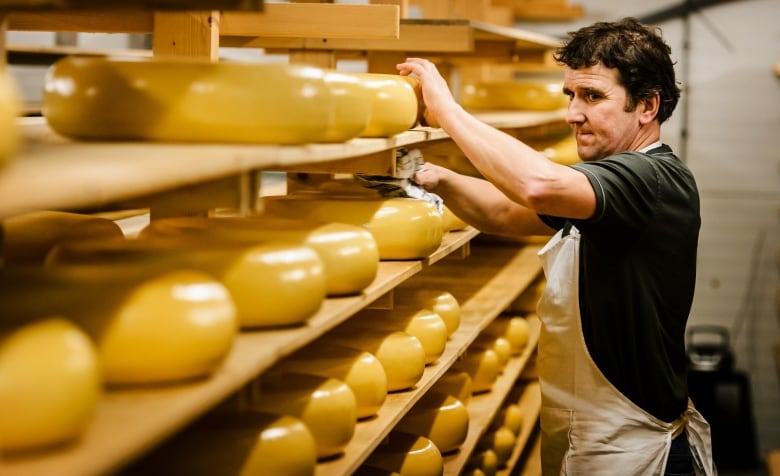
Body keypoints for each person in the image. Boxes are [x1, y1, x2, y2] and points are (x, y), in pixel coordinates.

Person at [397, 17, 716, 476]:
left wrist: (446, 109)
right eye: (570, 95)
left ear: (647, 106)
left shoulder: (652, 179)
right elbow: (504, 213)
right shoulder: (606, 185)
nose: (572, 114)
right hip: (590, 438)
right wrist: (433, 176)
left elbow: (537, 186)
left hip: (635, 450)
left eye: (593, 96)